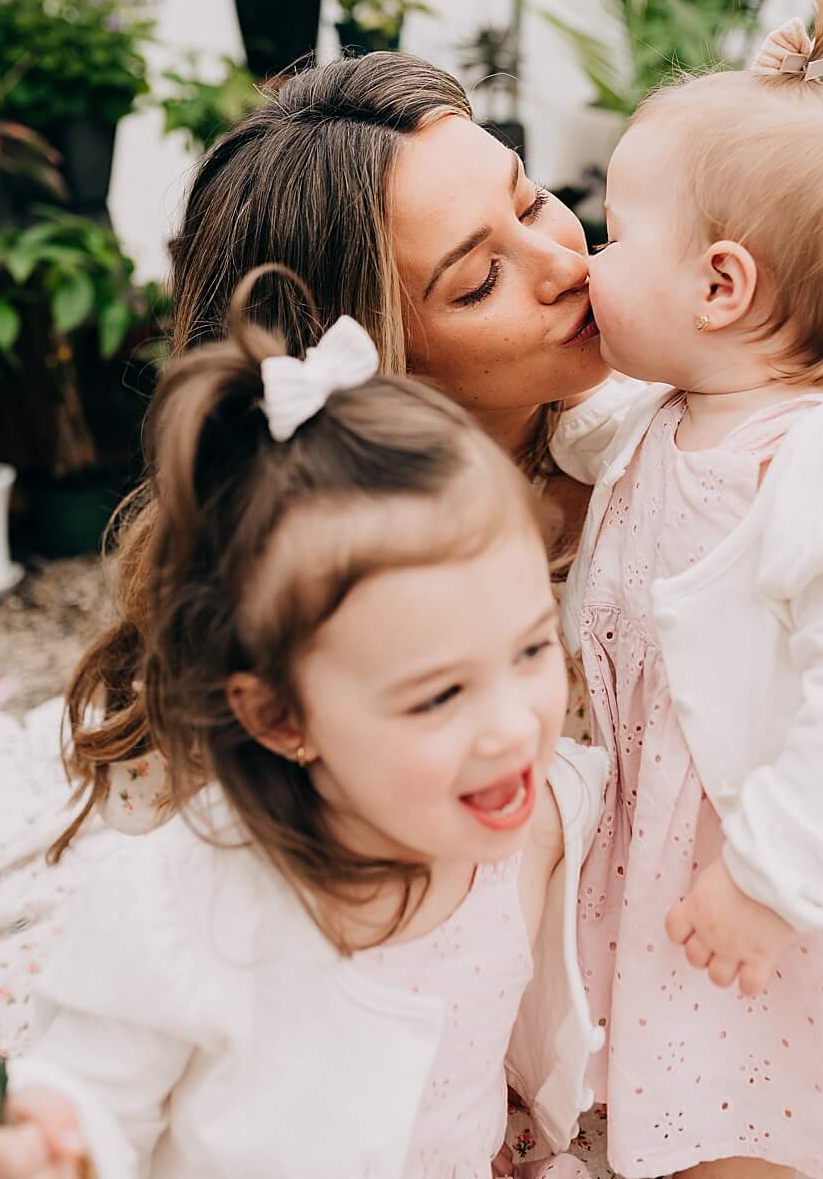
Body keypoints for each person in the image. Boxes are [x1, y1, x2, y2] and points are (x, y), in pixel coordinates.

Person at [0, 269, 606, 1178]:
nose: (511, 728)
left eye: (531, 651)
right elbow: (93, 1092)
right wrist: (52, 1138)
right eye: (437, 696)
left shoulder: (544, 819)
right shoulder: (186, 904)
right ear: (279, 717)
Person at [555, 0, 823, 1178]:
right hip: (675, 846)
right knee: (696, 1090)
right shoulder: (669, 408)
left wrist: (773, 873)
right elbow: (573, 422)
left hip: (786, 863)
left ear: (721, 284)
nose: (587, 255)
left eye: (613, 233)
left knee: (791, 1099)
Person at [49, 52, 612, 850]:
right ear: (370, 355)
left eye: (534, 200)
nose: (566, 264)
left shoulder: (688, 435)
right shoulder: (298, 583)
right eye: (481, 280)